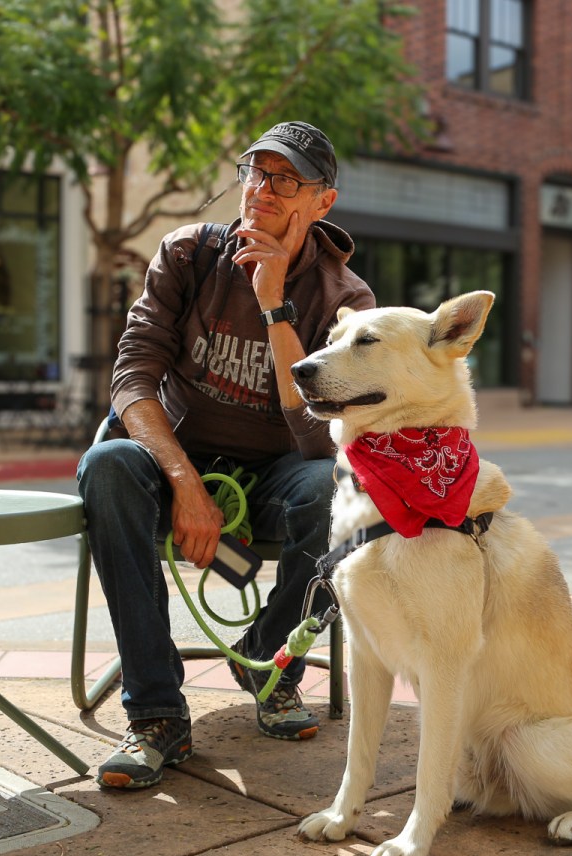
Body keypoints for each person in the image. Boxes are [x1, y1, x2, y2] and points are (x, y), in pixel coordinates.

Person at [77, 121, 376, 790]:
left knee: (346, 490)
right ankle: (156, 712)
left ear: (322, 202)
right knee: (105, 468)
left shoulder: (345, 300)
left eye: (285, 180)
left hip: (278, 474)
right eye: (254, 171)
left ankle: (269, 663)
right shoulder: (188, 256)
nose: (262, 189)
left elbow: (315, 435)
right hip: (175, 460)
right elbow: (132, 380)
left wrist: (274, 306)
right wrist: (184, 482)